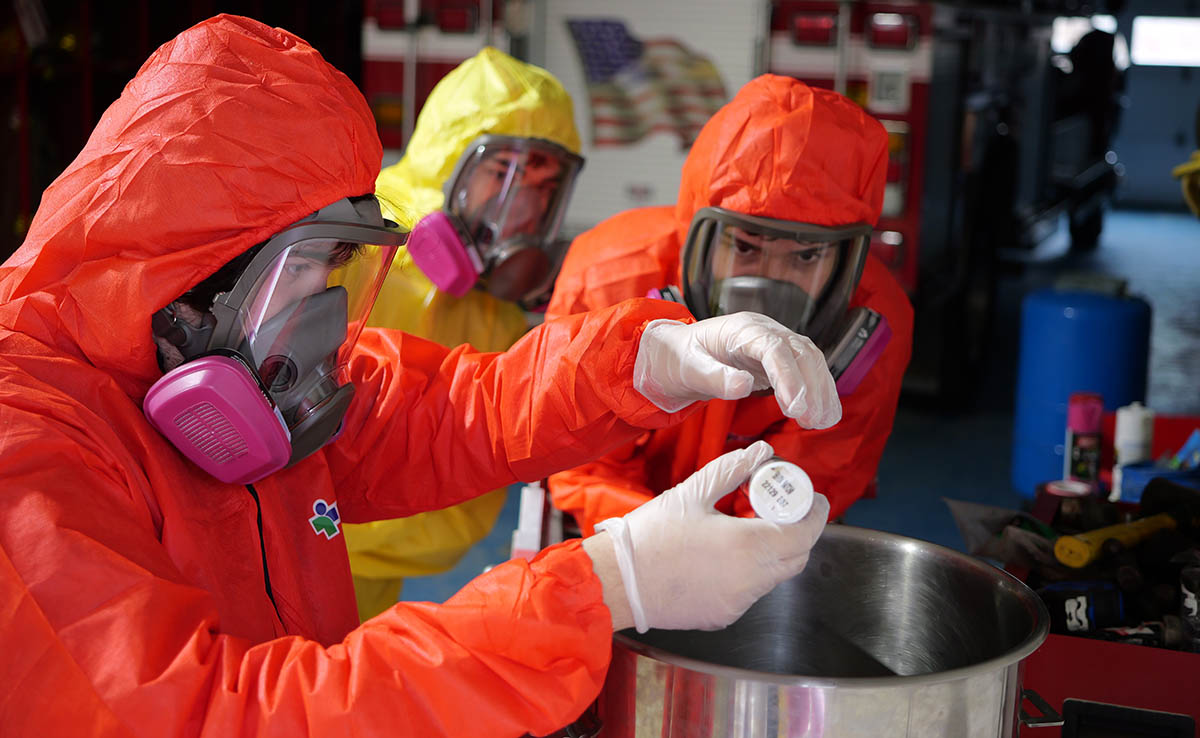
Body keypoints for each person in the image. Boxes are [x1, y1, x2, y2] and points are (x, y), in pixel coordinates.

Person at [0, 16, 839, 736]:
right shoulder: (28, 453)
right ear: (208, 262)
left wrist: (648, 363)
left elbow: (451, 411)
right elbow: (220, 716)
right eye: (320, 265)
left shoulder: (213, 359)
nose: (331, 310)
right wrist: (598, 589)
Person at [546, 75, 914, 533]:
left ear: (847, 256)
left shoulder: (874, 320)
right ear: (696, 231)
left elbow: (815, 472)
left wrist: (745, 547)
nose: (769, 283)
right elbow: (587, 465)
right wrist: (665, 545)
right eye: (744, 247)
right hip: (624, 533)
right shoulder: (606, 284)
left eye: (805, 255)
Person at [344, 48, 585, 621]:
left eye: (543, 188)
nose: (522, 209)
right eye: (504, 175)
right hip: (275, 569)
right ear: (448, 161)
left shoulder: (493, 313)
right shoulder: (352, 248)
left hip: (370, 588)